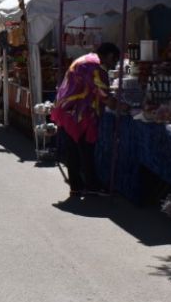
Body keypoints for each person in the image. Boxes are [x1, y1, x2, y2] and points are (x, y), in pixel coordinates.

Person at [50, 43, 120, 195]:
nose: (113, 64)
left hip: (67, 109)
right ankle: (92, 185)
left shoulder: (86, 59)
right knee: (85, 149)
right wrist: (119, 105)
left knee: (73, 150)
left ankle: (76, 185)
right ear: (109, 56)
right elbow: (103, 94)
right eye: (114, 60)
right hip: (77, 112)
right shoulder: (94, 66)